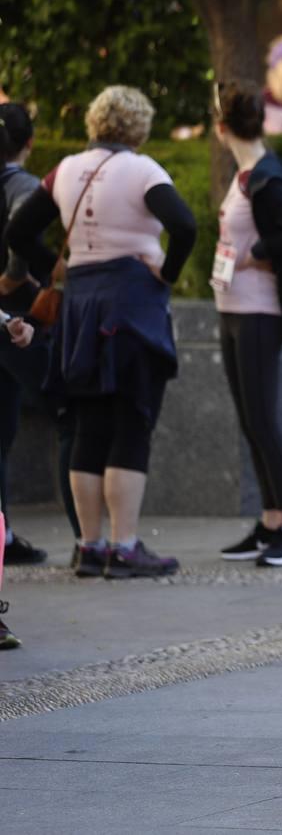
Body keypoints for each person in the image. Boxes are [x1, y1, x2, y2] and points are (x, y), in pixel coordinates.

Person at [5, 85, 197, 578]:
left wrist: (59, 266)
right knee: (131, 420)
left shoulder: (65, 169)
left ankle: (89, 546)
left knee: (88, 422)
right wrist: (168, 273)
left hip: (80, 306)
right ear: (139, 126)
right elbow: (185, 225)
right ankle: (125, 546)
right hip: (130, 302)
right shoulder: (143, 170)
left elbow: (19, 232)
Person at [208, 81, 282, 567]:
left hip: (258, 311)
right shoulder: (248, 175)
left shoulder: (265, 178)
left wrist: (258, 252)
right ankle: (271, 520)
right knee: (251, 420)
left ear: (220, 129)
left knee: (264, 421)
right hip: (234, 308)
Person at [0, 102, 77, 563]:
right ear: (30, 143)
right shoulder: (23, 184)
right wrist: (15, 274)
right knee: (64, 413)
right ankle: (89, 538)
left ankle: (4, 534)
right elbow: (18, 230)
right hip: (16, 320)